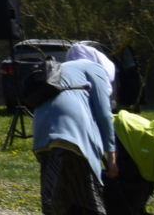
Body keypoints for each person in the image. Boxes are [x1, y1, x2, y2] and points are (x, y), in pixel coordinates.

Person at [31, 43, 117, 215]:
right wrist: (112, 157)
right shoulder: (94, 67)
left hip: (41, 134)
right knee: (89, 200)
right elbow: (104, 114)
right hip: (71, 131)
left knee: (59, 200)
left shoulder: (62, 69)